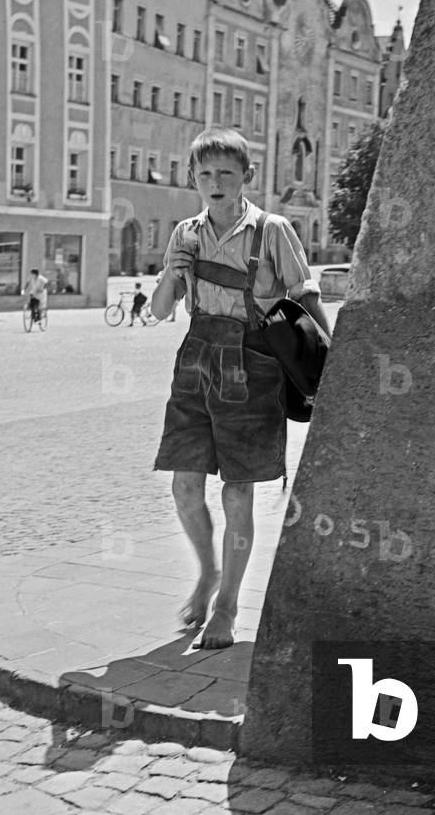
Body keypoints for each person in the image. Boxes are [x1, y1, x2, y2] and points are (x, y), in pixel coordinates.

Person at [151, 128, 331, 650]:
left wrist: (329, 365)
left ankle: (227, 606)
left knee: (236, 492)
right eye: (205, 174)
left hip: (253, 368)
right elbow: (162, 310)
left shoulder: (273, 230)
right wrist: (172, 273)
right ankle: (207, 574)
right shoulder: (185, 233)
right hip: (196, 363)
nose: (215, 183)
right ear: (192, 178)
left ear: (246, 176)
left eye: (226, 173)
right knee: (184, 488)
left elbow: (305, 300)